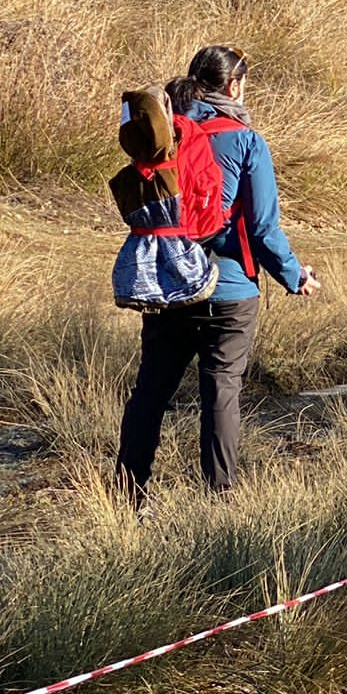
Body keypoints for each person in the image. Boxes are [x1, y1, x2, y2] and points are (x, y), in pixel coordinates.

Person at [115, 46, 319, 507]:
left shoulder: (163, 135)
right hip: (230, 290)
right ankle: (219, 499)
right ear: (234, 86)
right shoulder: (247, 140)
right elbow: (263, 228)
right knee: (221, 391)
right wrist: (294, 276)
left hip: (168, 285)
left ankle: (126, 497)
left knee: (150, 391)